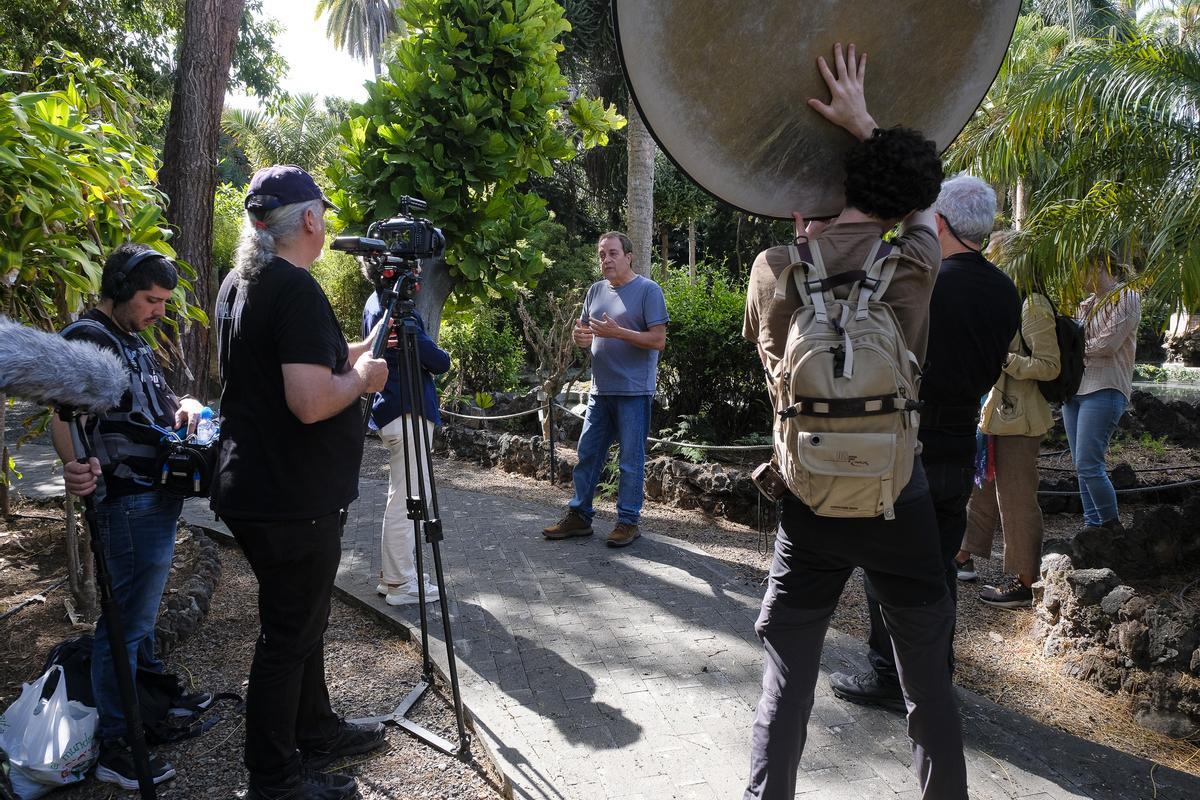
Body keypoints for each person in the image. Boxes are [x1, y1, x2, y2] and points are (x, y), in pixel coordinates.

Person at [742, 44, 967, 799]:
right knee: (928, 685)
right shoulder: (915, 264)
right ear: (904, 205)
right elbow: (922, 203)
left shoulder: (774, 269)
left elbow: (773, 363)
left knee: (787, 676)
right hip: (897, 501)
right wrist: (866, 123)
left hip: (808, 501)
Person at [213, 164, 389, 800]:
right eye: (324, 210)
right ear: (309, 219)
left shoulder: (242, 281)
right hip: (290, 498)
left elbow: (291, 357)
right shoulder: (292, 286)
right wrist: (365, 382)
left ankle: (314, 729)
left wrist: (359, 349)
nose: (328, 221)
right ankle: (273, 779)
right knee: (287, 637)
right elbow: (311, 401)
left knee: (301, 623)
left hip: (253, 487)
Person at [827, 176, 1020, 707]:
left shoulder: (927, 282)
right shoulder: (1005, 290)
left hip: (909, 437)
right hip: (962, 441)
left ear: (939, 223)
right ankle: (936, 673)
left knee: (887, 563)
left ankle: (891, 676)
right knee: (939, 567)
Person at [51, 243, 211, 789]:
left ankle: (144, 710)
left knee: (136, 623)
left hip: (156, 497)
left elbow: (157, 404)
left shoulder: (132, 340)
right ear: (119, 291)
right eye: (150, 299)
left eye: (164, 300)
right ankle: (118, 745)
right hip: (127, 502)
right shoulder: (87, 340)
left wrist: (187, 405)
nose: (160, 311)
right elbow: (62, 416)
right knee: (123, 627)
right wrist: (74, 467)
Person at [541, 231, 669, 548]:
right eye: (601, 254)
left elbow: (658, 340)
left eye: (612, 253)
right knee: (587, 454)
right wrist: (580, 339)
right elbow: (584, 334)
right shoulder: (595, 290)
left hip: (634, 392)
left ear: (628, 256)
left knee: (630, 461)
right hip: (600, 391)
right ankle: (580, 517)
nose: (606, 259)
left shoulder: (648, 290)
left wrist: (618, 332)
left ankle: (627, 522)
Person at [957, 285, 1061, 608]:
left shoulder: (1033, 305)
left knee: (1016, 500)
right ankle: (962, 556)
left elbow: (1049, 365)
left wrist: (1007, 360)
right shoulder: (1006, 301)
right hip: (997, 415)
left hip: (1021, 420)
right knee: (981, 488)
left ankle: (1026, 581)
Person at [361, 262, 450, 606]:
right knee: (409, 499)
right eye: (410, 268)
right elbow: (437, 360)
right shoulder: (394, 308)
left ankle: (395, 575)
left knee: (400, 495)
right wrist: (442, 356)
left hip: (392, 409)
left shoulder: (375, 301)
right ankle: (400, 583)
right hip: (408, 407)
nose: (417, 274)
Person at [1064, 257, 1141, 532]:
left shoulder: (1127, 296)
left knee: (1088, 463)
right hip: (1075, 390)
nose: (1078, 276)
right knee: (1081, 465)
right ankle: (1092, 527)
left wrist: (1072, 346)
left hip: (1105, 386)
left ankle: (1110, 527)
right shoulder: (1086, 303)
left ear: (1100, 267)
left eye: (1082, 268)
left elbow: (1108, 343)